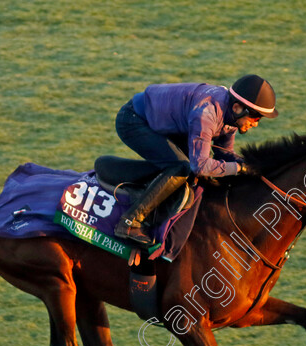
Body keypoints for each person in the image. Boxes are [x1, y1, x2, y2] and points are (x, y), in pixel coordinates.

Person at [113, 74, 279, 245]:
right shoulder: (207, 113)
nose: (256, 124)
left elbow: (224, 154)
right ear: (237, 108)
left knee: (189, 169)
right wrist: (239, 168)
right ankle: (129, 222)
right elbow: (200, 166)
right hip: (134, 121)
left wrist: (253, 166)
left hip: (167, 124)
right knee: (182, 167)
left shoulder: (231, 116)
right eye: (256, 117)